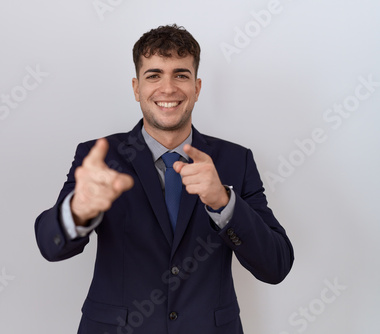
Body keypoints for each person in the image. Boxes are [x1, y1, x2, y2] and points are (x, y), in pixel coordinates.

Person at [35, 24, 294, 334]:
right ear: (136, 88)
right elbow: (50, 245)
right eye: (154, 75)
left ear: (197, 88)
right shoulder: (100, 156)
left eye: (180, 75)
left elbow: (275, 265)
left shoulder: (236, 161)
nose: (168, 88)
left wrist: (224, 204)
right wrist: (78, 210)